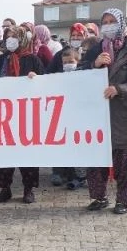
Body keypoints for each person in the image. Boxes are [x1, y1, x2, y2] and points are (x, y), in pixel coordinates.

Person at [82, 8, 127, 215]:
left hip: (126, 115)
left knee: (126, 159)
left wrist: (119, 89)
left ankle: (124, 201)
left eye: (113, 21)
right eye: (105, 21)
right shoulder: (95, 50)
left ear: (121, 23)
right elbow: (78, 76)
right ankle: (99, 197)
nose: (109, 25)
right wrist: (94, 65)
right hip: (97, 114)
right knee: (96, 158)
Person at [0, 26, 44, 203]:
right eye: (8, 36)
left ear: (22, 39)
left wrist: (37, 80)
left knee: (27, 154)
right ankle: (5, 189)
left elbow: (46, 84)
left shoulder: (33, 60)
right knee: (3, 154)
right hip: (2, 115)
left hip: (26, 115)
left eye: (14, 36)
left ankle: (28, 190)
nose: (10, 40)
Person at [51, 47, 87, 189]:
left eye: (71, 61)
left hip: (79, 118)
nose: (68, 64)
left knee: (77, 146)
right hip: (62, 118)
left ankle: (78, 176)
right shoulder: (58, 77)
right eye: (65, 62)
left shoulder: (85, 76)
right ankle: (59, 172)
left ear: (78, 61)